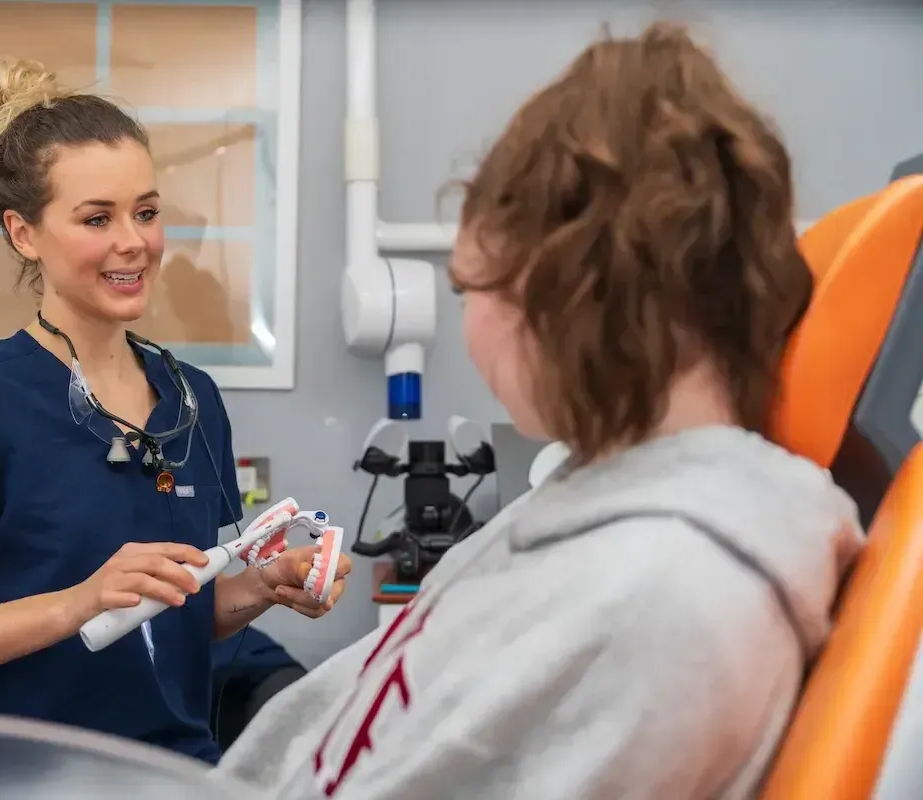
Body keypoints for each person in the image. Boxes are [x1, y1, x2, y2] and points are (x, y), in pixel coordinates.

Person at [215, 23, 864, 799]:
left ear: (565, 289)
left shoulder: (662, 603)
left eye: (469, 290)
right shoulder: (600, 507)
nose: (468, 328)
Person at [0, 59, 350, 765]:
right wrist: (78, 603)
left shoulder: (192, 400)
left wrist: (260, 587)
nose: (134, 242)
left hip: (171, 770)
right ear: (24, 233)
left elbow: (171, 612)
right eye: (97, 218)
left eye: (146, 213)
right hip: (12, 777)